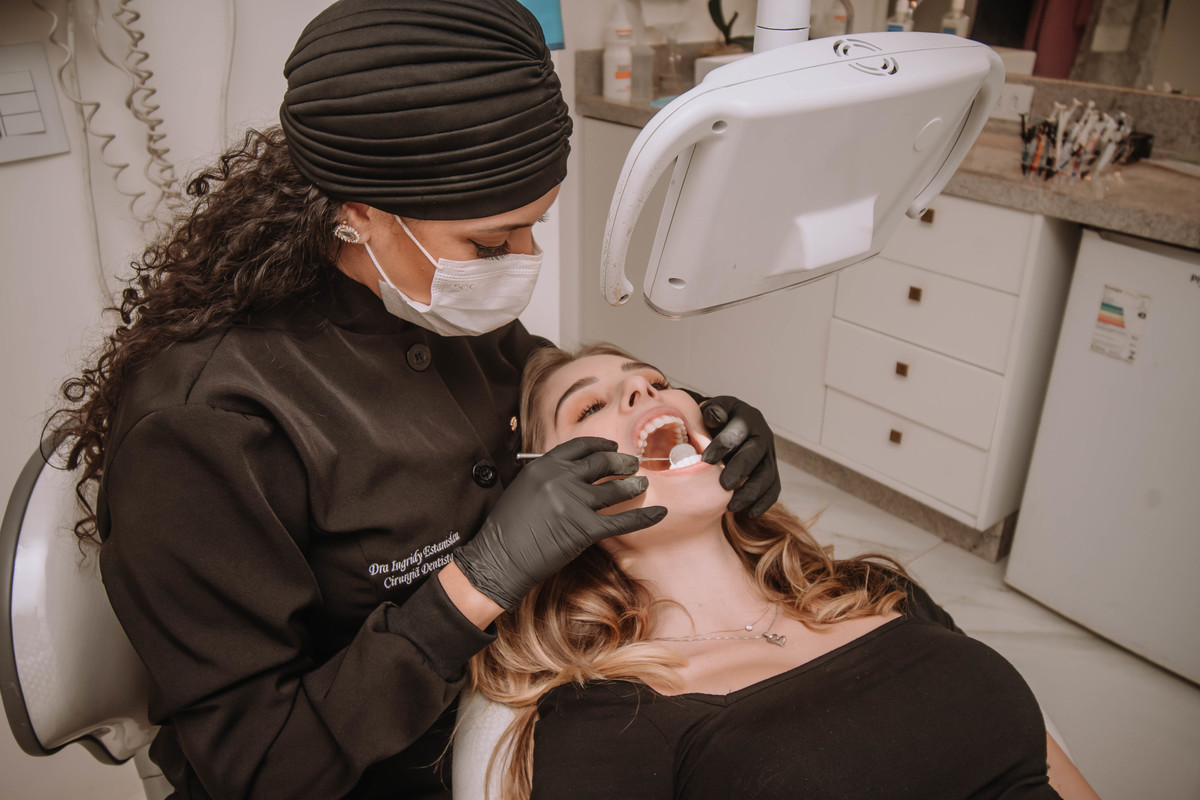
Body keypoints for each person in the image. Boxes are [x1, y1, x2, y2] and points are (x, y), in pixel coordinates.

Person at [48, 3, 781, 798]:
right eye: (492, 244)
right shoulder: (206, 427)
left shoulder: (429, 299)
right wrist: (478, 581)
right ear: (358, 214)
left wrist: (685, 418)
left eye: (534, 227)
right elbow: (258, 767)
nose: (523, 261)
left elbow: (548, 380)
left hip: (516, 701)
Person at [460, 343, 1103, 800]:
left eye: (655, 381)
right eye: (588, 409)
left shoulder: (876, 591)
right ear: (548, 499)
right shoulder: (608, 719)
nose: (646, 392)